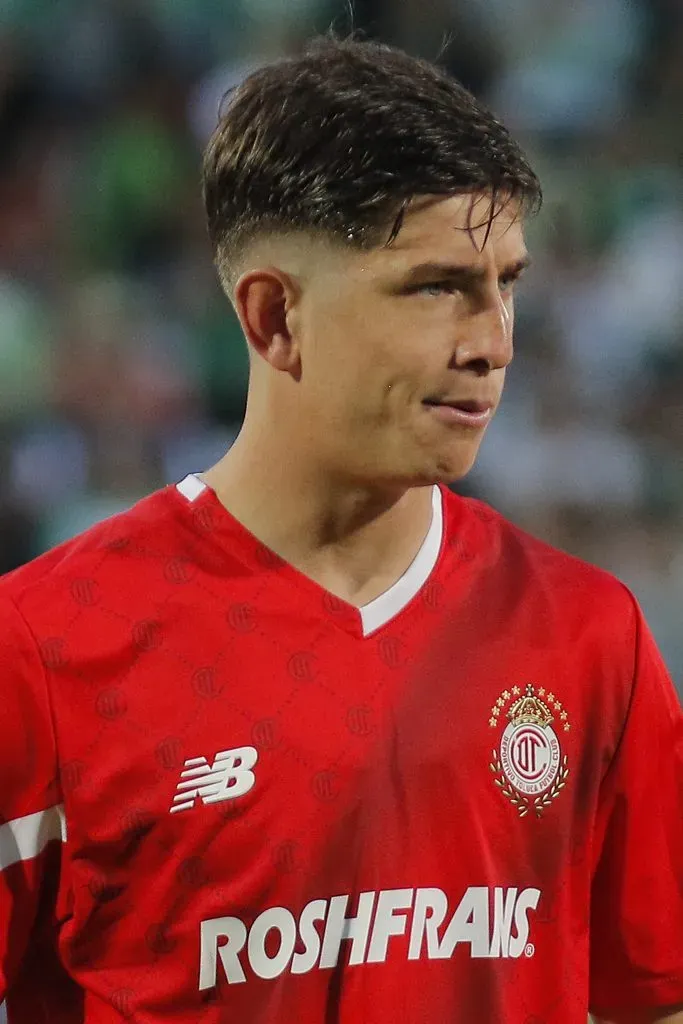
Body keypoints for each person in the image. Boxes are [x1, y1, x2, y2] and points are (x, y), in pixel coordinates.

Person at [0, 36, 681, 1024]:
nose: (492, 341)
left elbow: (652, 998)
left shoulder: (587, 634)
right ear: (274, 318)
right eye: (437, 286)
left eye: (506, 284)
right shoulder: (43, 649)